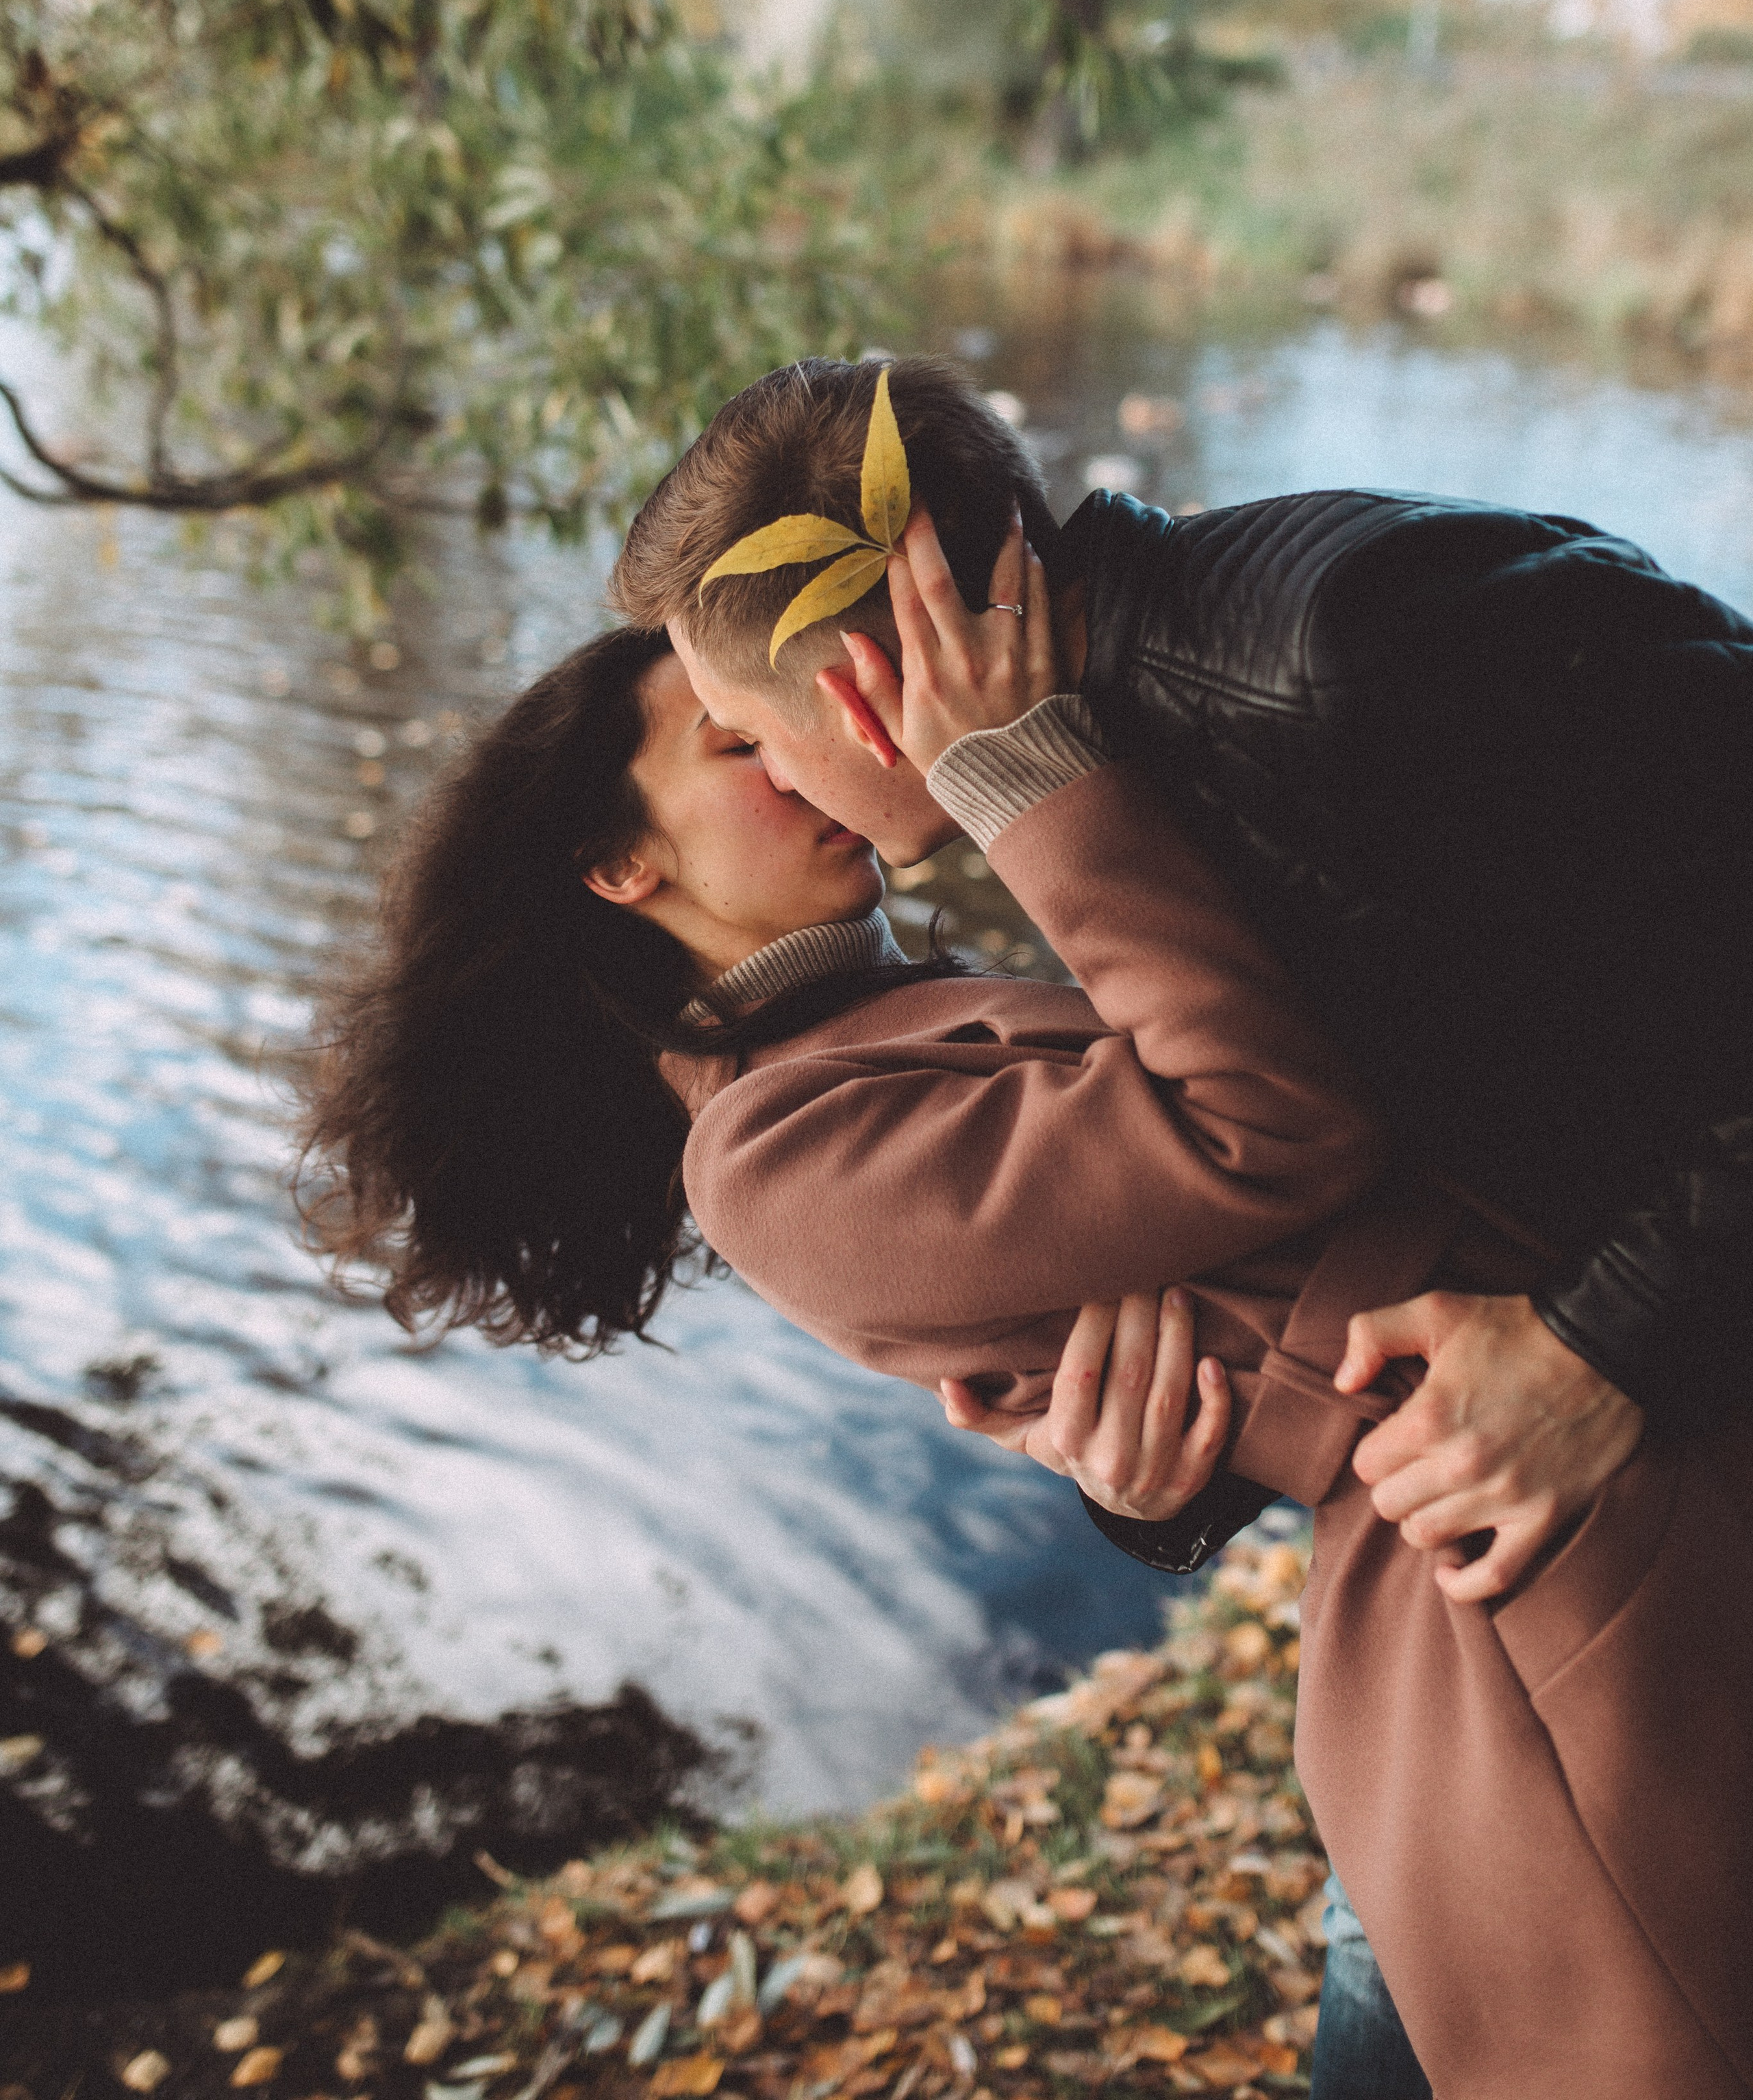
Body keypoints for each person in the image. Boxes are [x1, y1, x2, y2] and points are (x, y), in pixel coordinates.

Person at [298, 623, 1753, 2099]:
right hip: (1516, 1551)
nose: (820, 752)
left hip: (1553, 1433)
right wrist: (1028, 778)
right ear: (622, 865)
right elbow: (1271, 1123)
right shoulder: (769, 1153)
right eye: (735, 745)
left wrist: (1154, 1489)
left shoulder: (871, 1020)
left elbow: (1219, 1278)